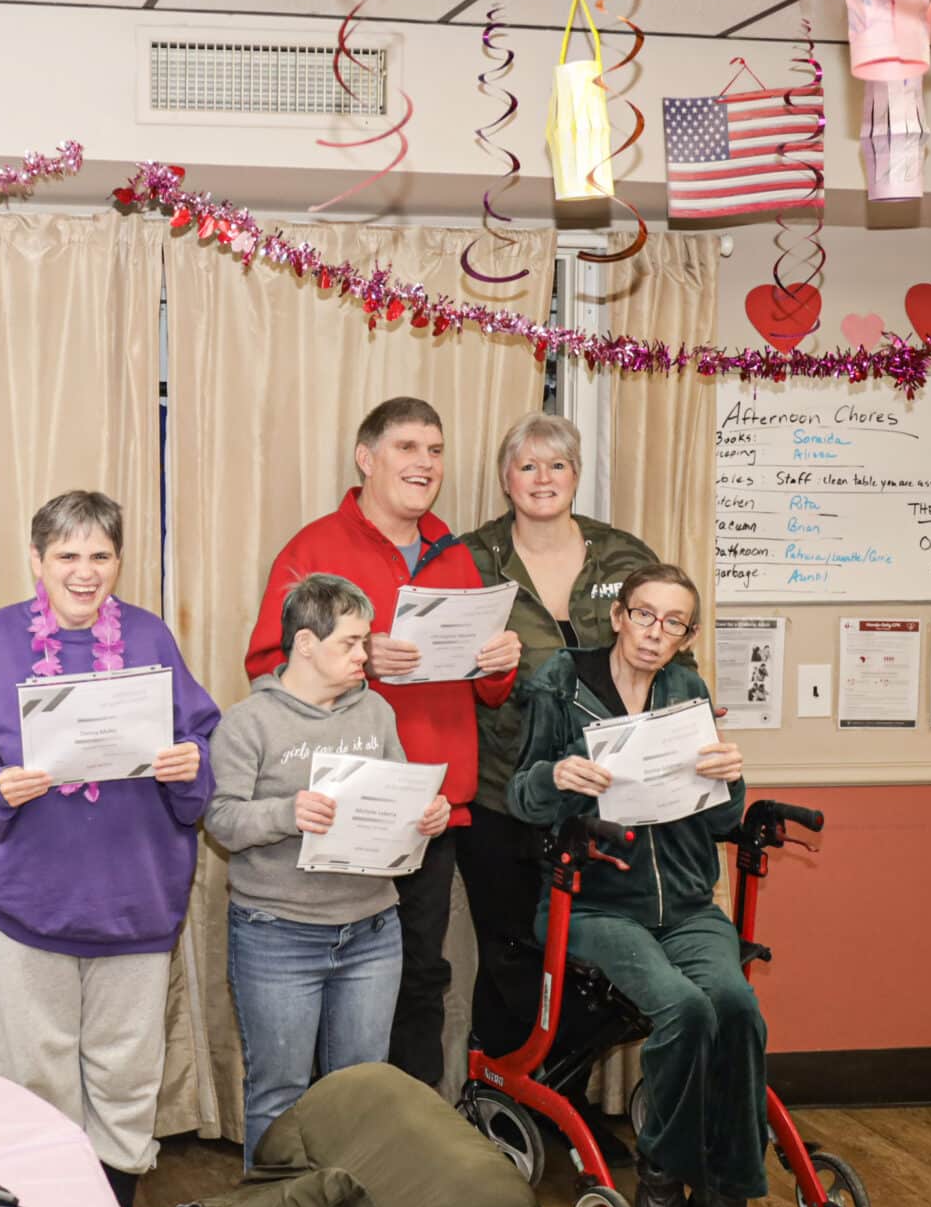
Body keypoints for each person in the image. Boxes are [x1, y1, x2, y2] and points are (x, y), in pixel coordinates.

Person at [0, 491, 219, 1207]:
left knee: (126, 1077)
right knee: (37, 1077)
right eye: (67, 555)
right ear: (36, 560)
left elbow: (202, 748)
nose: (84, 572)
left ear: (118, 561)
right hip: (20, 901)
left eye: (100, 555)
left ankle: (110, 1205)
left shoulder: (150, 639)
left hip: (135, 899)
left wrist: (190, 766)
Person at [244, 397, 521, 1089]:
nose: (424, 462)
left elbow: (488, 692)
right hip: (341, 804)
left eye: (435, 449)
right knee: (332, 980)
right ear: (367, 458)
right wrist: (362, 660)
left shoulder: (457, 552)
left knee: (421, 976)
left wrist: (500, 662)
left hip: (430, 805)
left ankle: (413, 1138)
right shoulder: (311, 550)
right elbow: (264, 668)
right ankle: (326, 1136)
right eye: (407, 447)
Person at [506, 564, 761, 1207]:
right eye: (644, 614)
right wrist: (556, 774)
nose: (654, 632)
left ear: (687, 634)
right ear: (619, 615)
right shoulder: (562, 681)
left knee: (735, 1006)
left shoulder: (686, 691)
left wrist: (732, 779)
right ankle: (663, 1173)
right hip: (590, 903)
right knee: (684, 1007)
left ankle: (726, 1183)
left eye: (672, 622)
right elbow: (520, 798)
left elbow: (722, 821)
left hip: (685, 903)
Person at [461, 410, 683, 1141]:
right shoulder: (473, 558)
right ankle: (495, 1104)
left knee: (583, 959)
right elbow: (440, 667)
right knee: (507, 953)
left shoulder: (623, 556)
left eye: (556, 466)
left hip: (602, 801)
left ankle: (566, 1099)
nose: (543, 480)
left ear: (576, 476)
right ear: (505, 479)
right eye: (527, 467)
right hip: (501, 789)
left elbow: (668, 659)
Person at [208, 574, 450, 1168]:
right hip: (277, 934)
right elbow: (219, 820)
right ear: (306, 645)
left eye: (364, 641)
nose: (365, 655)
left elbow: (395, 795)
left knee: (362, 1095)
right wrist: (286, 813)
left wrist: (425, 815)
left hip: (371, 930)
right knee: (279, 1094)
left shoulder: (376, 711)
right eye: (350, 643)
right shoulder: (248, 722)